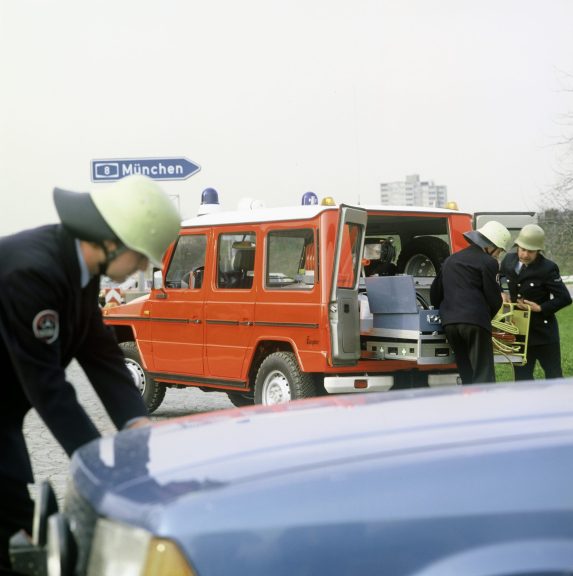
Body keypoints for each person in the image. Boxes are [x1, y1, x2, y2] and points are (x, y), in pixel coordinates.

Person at [0, 175, 180, 574]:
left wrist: (137, 427)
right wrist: (99, 467)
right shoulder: (33, 273)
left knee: (23, 542)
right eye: (140, 256)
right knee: (21, 544)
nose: (142, 267)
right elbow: (50, 390)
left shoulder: (77, 269)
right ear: (112, 241)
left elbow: (101, 354)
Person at [430, 221, 511, 385]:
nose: (498, 254)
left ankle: (469, 403)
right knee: (483, 372)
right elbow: (494, 298)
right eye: (500, 250)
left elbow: (435, 293)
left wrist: (448, 313)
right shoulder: (488, 262)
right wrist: (489, 320)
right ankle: (484, 407)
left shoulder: (451, 260)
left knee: (465, 368)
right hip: (475, 322)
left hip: (450, 323)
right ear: (491, 245)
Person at [499, 224, 572, 380]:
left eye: (530, 251)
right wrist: (502, 292)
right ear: (517, 246)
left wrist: (540, 308)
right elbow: (502, 278)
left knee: (554, 376)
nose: (525, 254)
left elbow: (565, 298)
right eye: (522, 249)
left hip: (543, 333)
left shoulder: (547, 268)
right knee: (522, 378)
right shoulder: (508, 260)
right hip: (518, 331)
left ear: (538, 251)